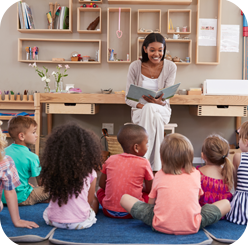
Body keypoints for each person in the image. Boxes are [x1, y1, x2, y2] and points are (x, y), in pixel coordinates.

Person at [120, 133, 231, 235]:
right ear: (189, 157)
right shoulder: (196, 173)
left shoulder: (159, 174)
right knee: (226, 203)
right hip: (193, 225)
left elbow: (150, 204)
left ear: (163, 158)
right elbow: (196, 200)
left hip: (159, 224)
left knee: (125, 198)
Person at [125, 32, 177, 172]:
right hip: (140, 111)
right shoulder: (135, 66)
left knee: (152, 110)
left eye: (160, 50)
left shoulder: (170, 67)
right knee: (151, 113)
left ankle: (142, 161)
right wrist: (145, 105)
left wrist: (158, 103)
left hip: (162, 110)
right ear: (145, 49)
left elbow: (166, 99)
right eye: (152, 50)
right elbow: (128, 99)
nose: (157, 54)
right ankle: (157, 167)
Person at [40, 123, 102, 229]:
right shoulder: (90, 171)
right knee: (95, 200)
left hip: (53, 221)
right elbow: (89, 200)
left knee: (48, 210)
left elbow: (45, 188)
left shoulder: (51, 169)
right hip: (80, 223)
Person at [97, 124, 153, 219]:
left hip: (108, 211)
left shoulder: (110, 159)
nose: (148, 146)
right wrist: (138, 187)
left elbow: (102, 185)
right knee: (149, 196)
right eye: (146, 143)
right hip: (132, 212)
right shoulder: (144, 162)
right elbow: (150, 189)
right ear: (136, 147)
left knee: (99, 191)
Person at [1, 116, 49, 205]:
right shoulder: (32, 157)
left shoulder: (3, 152)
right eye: (34, 132)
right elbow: (41, 181)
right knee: (53, 189)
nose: (36, 135)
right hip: (21, 198)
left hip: (3, 197)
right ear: (21, 136)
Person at [0, 123, 38, 229]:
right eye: (34, 132)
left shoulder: (6, 158)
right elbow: (10, 192)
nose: (37, 135)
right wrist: (17, 220)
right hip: (22, 196)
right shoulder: (6, 161)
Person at [197, 135, 233, 208]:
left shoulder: (197, 173)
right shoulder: (227, 172)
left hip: (203, 215)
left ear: (203, 156)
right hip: (223, 214)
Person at [226, 121, 248, 225]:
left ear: (246, 141)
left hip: (241, 210)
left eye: (239, 139)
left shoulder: (238, 157)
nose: (238, 142)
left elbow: (235, 183)